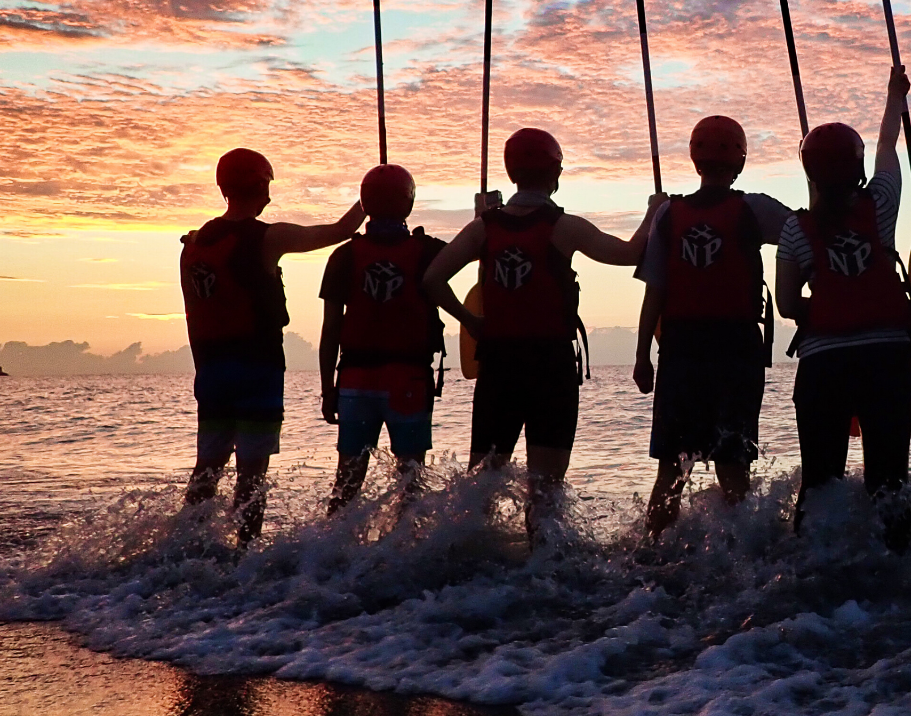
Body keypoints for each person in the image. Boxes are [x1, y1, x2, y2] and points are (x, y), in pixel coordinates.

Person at [424, 128, 664, 527]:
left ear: (511, 171)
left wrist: (471, 321)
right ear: (556, 172)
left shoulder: (483, 228)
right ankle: (544, 567)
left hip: (498, 365)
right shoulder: (565, 227)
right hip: (549, 366)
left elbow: (432, 279)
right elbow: (629, 253)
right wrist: (653, 214)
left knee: (482, 482)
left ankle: (465, 560)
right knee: (546, 489)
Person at [180, 148, 364, 543]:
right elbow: (339, 231)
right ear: (260, 185)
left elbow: (192, 316)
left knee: (206, 469)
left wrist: (205, 371)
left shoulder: (193, 245)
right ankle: (244, 554)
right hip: (257, 369)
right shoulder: (268, 236)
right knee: (251, 473)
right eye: (268, 185)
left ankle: (182, 546)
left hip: (211, 371)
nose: (270, 195)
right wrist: (375, 192)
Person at [776, 68, 911, 552]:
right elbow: (886, 151)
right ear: (854, 167)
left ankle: (811, 563)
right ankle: (897, 564)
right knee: (889, 479)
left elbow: (788, 304)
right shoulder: (881, 204)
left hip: (824, 364)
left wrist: (827, 301)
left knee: (819, 480)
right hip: (888, 359)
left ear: (810, 172)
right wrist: (893, 97)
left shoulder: (795, 230)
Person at [633, 116, 792, 538]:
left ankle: (652, 551)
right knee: (732, 463)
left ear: (694, 159)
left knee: (672, 468)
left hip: (680, 350)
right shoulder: (754, 207)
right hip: (736, 350)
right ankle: (744, 556)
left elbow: (655, 291)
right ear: (739, 160)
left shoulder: (669, 212)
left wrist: (640, 357)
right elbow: (804, 234)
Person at [318, 164, 448, 513]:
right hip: (408, 381)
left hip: (355, 381)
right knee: (410, 482)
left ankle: (330, 552)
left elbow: (331, 330)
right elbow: (477, 251)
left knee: (347, 480)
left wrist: (328, 388)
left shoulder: (343, 256)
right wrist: (486, 217)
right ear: (408, 204)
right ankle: (405, 554)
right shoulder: (428, 252)